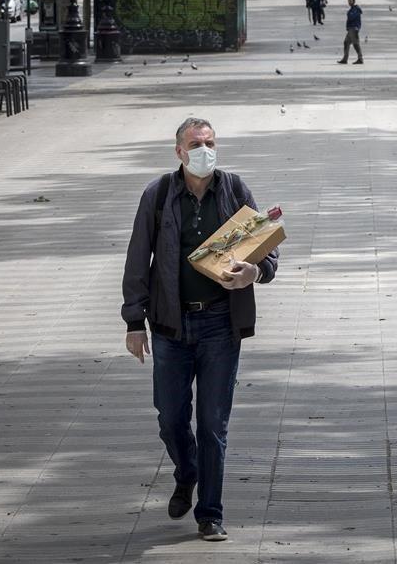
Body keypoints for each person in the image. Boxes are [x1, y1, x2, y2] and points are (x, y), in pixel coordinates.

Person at [122, 118, 279, 542]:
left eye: (210, 142)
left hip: (219, 325)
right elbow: (139, 258)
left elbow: (267, 248)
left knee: (213, 424)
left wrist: (255, 273)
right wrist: (134, 322)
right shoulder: (157, 194)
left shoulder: (234, 189)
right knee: (171, 419)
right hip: (170, 325)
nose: (204, 150)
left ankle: (210, 513)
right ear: (179, 151)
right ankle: (186, 471)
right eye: (195, 143)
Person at [337, 0, 362, 65]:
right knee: (346, 42)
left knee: (356, 44)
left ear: (354, 1)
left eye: (351, 0)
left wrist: (348, 14)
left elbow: (351, 17)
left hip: (354, 29)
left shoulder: (356, 9)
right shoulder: (352, 9)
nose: (349, 2)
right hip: (350, 29)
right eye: (349, 0)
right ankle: (345, 59)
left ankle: (360, 58)